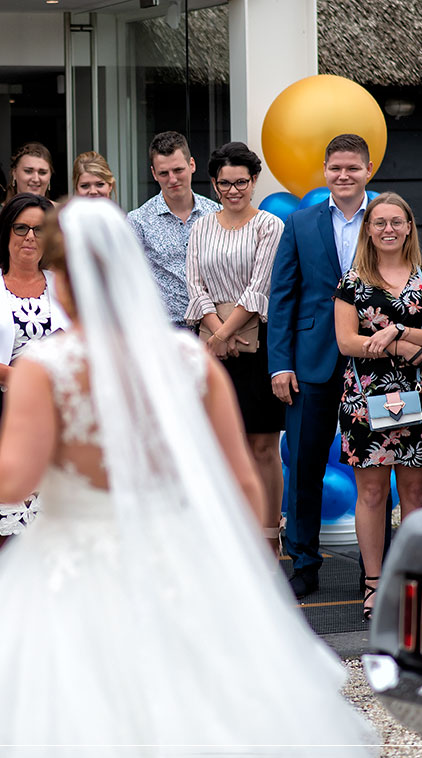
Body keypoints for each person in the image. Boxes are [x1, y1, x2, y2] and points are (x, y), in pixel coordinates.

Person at [0, 198, 379, 758]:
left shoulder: (46, 366)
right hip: (175, 558)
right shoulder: (188, 358)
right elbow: (245, 486)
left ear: (63, 275)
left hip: (68, 568)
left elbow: (12, 480)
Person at [268, 133, 374, 599]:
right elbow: (283, 296)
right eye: (336, 168)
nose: (344, 175)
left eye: (353, 168)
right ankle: (305, 564)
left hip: (377, 361)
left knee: (376, 464)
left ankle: (375, 569)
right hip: (311, 362)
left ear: (368, 170)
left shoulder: (388, 219)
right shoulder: (302, 222)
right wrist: (280, 365)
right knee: (306, 465)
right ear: (325, 171)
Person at [333, 193, 422, 621]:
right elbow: (346, 342)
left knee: (416, 494)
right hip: (367, 399)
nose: (387, 229)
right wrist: (399, 345)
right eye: (379, 222)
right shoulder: (352, 281)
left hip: (419, 398)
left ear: (408, 227)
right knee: (374, 492)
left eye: (396, 222)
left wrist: (398, 329)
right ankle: (374, 584)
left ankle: (416, 581)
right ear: (368, 229)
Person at [0, 193, 69, 567]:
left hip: (55, 415)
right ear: (5, 234)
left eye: (39, 229)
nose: (30, 237)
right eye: (21, 228)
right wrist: (21, 378)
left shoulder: (63, 286)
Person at [184, 142, 284, 553]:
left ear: (254, 180)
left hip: (256, 347)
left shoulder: (269, 226)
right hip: (211, 347)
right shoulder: (201, 226)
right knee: (223, 445)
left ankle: (268, 536)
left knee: (262, 445)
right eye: (224, 183)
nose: (233, 189)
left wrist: (223, 335)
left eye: (241, 181)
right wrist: (214, 334)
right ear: (213, 184)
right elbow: (194, 284)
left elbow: (259, 288)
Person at [126, 131, 220, 326]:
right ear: (153, 173)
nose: (172, 179)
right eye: (164, 173)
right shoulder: (138, 221)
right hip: (164, 331)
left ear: (192, 164)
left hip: (216, 328)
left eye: (178, 170)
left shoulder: (217, 214)